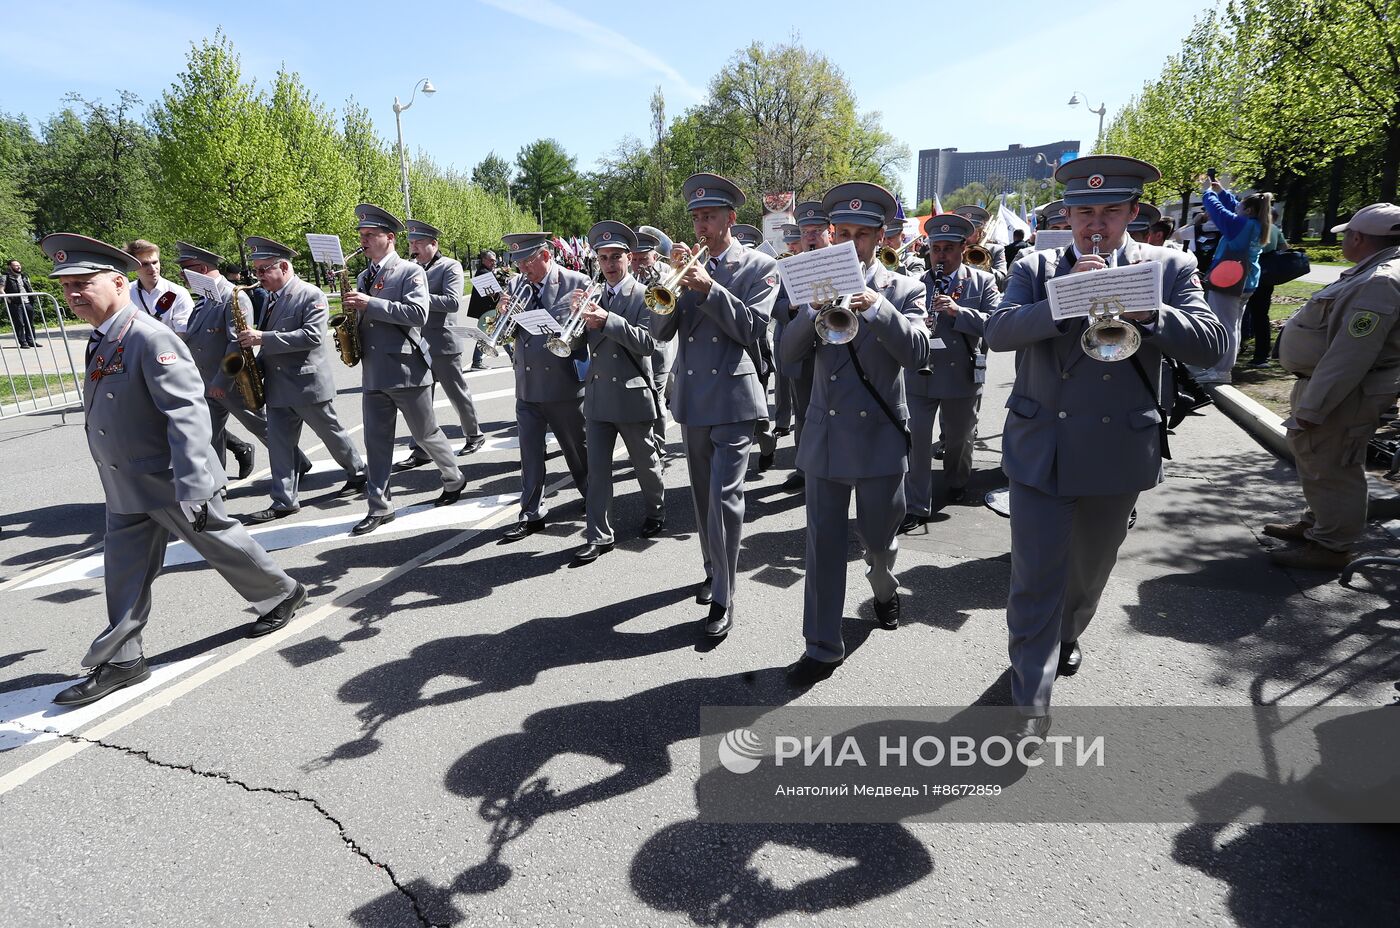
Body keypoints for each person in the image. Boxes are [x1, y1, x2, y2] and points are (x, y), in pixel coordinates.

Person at [985, 154, 1227, 741]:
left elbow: (1212, 343)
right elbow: (997, 332)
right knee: (1035, 574)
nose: (1096, 223)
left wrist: (1153, 312)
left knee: (1088, 573)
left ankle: (1068, 632)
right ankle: (1030, 696)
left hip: (1119, 447)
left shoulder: (1171, 265)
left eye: (1110, 211)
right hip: (1043, 445)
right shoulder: (1036, 266)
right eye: (1084, 211)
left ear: (1133, 214)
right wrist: (1063, 300)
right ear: (1066, 215)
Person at [42, 234, 306, 707]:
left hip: (165, 477)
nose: (73, 294)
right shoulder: (105, 336)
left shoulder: (149, 336)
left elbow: (186, 413)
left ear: (118, 282)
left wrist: (194, 484)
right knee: (123, 569)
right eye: (67, 286)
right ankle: (124, 658)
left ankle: (281, 592)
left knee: (217, 537)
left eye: (83, 283)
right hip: (126, 480)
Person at [780, 182, 930, 686]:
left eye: (859, 234)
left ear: (879, 236)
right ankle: (822, 646)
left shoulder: (905, 288)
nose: (847, 241)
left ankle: (884, 589)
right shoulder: (811, 282)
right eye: (839, 232)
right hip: (825, 435)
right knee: (822, 545)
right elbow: (786, 356)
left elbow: (919, 354)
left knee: (879, 540)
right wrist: (810, 311)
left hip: (879, 438)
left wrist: (878, 309)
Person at [651, 173, 778, 638]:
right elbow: (658, 333)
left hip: (734, 398)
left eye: (710, 216)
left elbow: (754, 329)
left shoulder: (760, 267)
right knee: (704, 500)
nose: (702, 225)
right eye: (697, 217)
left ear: (731, 218)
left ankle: (724, 595)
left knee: (725, 500)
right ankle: (712, 569)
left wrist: (709, 289)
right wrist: (670, 283)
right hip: (692, 400)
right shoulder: (684, 271)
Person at [1266, 203, 1400, 571]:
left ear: (1358, 237)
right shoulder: (1374, 273)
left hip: (1345, 393)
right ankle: (1318, 524)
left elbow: (1351, 354)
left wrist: (1312, 409)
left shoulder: (1381, 281)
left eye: (1346, 235)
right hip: (1339, 388)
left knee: (1334, 465)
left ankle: (1331, 546)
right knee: (1319, 459)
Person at [344, 203, 467, 536]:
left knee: (426, 435)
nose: (364, 241)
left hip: (407, 370)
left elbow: (417, 314)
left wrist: (370, 303)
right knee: (377, 443)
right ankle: (380, 507)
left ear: (390, 238)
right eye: (361, 235)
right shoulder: (362, 275)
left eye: (370, 235)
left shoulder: (410, 272)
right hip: (374, 372)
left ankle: (454, 477)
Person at [237, 236, 367, 523]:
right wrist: (254, 366)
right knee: (280, 446)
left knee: (331, 434)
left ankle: (358, 472)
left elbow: (312, 336)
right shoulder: (270, 298)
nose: (257, 277)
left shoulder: (310, 294)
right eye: (255, 271)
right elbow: (272, 344)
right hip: (278, 385)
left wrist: (262, 337)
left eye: (263, 270)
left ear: (283, 266)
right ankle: (284, 501)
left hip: (307, 384)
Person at [573, 221, 666, 564]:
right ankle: (599, 535)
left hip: (631, 394)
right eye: (603, 257)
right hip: (598, 396)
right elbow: (578, 347)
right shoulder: (593, 295)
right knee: (597, 470)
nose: (609, 264)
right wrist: (575, 321)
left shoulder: (646, 294)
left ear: (630, 258)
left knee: (645, 463)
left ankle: (656, 511)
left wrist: (607, 319)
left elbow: (649, 344)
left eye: (616, 257)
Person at [176, 241, 308, 483]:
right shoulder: (205, 299)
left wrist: (221, 380)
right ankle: (217, 484)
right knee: (210, 433)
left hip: (231, 381)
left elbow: (236, 343)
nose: (182, 277)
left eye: (184, 271)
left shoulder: (232, 296)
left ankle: (298, 461)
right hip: (207, 381)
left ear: (201, 270)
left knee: (263, 427)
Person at [902, 213, 999, 531]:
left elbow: (997, 325)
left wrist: (959, 312)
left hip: (961, 375)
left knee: (958, 439)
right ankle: (917, 504)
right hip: (921, 373)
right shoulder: (916, 283)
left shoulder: (982, 281)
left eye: (947, 248)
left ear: (962, 248)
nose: (940, 255)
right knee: (916, 442)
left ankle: (957, 480)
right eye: (935, 248)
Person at [498, 231, 591, 540]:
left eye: (527, 261)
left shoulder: (575, 282)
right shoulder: (515, 285)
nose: (522, 269)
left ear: (546, 256)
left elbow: (583, 336)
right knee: (530, 455)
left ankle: (593, 497)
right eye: (518, 262)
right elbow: (510, 336)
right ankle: (531, 512)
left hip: (562, 383)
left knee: (576, 451)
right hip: (526, 384)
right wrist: (503, 316)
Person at [393, 220, 487, 470]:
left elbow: (453, 302)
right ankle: (421, 450)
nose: (414, 248)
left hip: (443, 343)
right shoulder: (410, 268)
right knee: (420, 401)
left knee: (457, 394)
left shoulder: (450, 266)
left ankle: (474, 435)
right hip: (417, 343)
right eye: (411, 243)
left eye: (419, 243)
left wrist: (418, 299)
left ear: (434, 244)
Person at [773, 200, 832, 493]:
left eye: (816, 230)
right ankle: (803, 467)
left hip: (837, 350)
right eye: (805, 230)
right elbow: (777, 307)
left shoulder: (841, 262)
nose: (810, 236)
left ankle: (835, 469)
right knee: (804, 413)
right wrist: (794, 307)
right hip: (803, 353)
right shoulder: (789, 267)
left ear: (828, 231)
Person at [1189, 180, 1273, 385]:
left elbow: (1218, 211)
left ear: (1250, 210)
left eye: (1240, 205)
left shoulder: (1240, 225)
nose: (1236, 205)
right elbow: (1231, 205)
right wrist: (1222, 191)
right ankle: (1221, 367)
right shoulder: (1255, 224)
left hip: (1229, 282)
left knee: (1225, 326)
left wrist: (1208, 193)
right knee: (1233, 325)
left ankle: (1221, 371)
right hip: (1246, 282)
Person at [632, 227, 675, 459]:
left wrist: (656, 284)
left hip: (658, 345)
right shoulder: (627, 275)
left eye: (643, 258)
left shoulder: (666, 274)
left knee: (658, 396)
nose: (638, 263)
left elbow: (668, 308)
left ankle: (658, 445)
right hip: (635, 345)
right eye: (635, 258)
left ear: (655, 257)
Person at [1241, 210, 1287, 367]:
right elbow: (1285, 248)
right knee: (1261, 316)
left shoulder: (1252, 227)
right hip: (1268, 277)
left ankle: (1239, 345)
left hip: (1251, 275)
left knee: (1242, 313)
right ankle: (1262, 355)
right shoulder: (1274, 229)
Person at [772, 223, 804, 440]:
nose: (791, 248)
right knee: (782, 384)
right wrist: (791, 306)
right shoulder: (781, 267)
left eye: (794, 243)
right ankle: (782, 422)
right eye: (789, 243)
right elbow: (774, 305)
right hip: (785, 333)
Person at [124, 241, 194, 334]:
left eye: (155, 262)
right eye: (145, 264)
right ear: (134, 266)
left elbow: (183, 331)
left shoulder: (178, 293)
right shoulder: (125, 292)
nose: (153, 268)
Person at [953, 205, 1008, 288]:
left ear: (981, 233)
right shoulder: (951, 250)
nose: (966, 235)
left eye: (971, 231)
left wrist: (983, 266)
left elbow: (1002, 283)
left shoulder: (996, 250)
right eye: (963, 230)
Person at [466, 249, 502, 370]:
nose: (494, 263)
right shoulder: (483, 273)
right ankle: (476, 362)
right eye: (491, 260)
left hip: (488, 309)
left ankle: (513, 356)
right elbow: (492, 294)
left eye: (495, 260)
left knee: (497, 332)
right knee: (487, 335)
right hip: (486, 310)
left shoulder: (485, 272)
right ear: (484, 260)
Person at [3, 259, 38, 348]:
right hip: (16, 303)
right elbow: (1, 289)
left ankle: (31, 341)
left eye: (19, 265)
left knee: (30, 323)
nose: (19, 267)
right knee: (19, 323)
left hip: (27, 302)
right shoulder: (5, 277)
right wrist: (8, 299)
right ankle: (23, 342)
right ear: (10, 267)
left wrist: (32, 296)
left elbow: (29, 287)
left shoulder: (24, 276)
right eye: (16, 265)